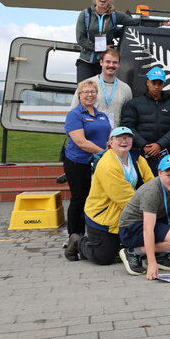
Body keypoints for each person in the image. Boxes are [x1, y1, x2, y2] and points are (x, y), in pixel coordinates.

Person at [70, 127, 153, 265]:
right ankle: (79, 242)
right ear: (110, 143)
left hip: (126, 214)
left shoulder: (138, 160)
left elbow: (151, 185)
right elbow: (125, 198)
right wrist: (150, 210)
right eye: (119, 138)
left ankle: (120, 244)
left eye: (128, 137)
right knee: (103, 257)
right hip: (103, 217)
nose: (124, 141)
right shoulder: (107, 164)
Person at [118, 154, 170, 279]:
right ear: (160, 173)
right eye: (169, 175)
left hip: (154, 222)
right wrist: (151, 264)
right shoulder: (152, 191)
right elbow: (148, 229)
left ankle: (159, 255)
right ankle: (133, 252)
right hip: (132, 229)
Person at [75, 0, 170, 82]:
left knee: (104, 94)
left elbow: (136, 22)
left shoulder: (115, 15)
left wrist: (161, 23)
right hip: (86, 62)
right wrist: (101, 47)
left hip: (106, 64)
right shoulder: (85, 14)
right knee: (84, 92)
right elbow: (80, 40)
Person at [62, 79, 112, 248]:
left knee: (95, 199)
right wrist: (105, 154)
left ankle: (92, 234)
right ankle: (74, 236)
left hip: (99, 164)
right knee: (79, 198)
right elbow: (81, 142)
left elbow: (109, 138)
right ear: (79, 95)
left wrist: (110, 150)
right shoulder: (74, 115)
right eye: (86, 92)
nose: (90, 95)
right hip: (78, 163)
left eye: (93, 92)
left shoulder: (102, 115)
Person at [120, 67, 170, 165]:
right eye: (154, 83)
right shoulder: (134, 103)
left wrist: (159, 145)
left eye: (160, 83)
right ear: (147, 82)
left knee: (163, 180)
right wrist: (143, 145)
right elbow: (128, 126)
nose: (156, 86)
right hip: (139, 153)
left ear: (163, 84)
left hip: (164, 154)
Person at [69, 48, 132, 129]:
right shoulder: (86, 85)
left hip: (113, 138)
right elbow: (73, 113)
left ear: (119, 64)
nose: (111, 65)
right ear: (101, 62)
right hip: (89, 137)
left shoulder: (125, 89)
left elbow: (127, 118)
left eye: (115, 62)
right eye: (108, 62)